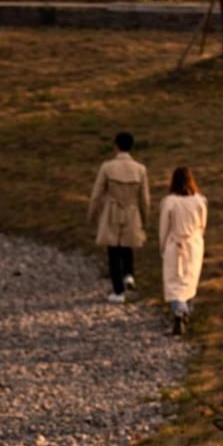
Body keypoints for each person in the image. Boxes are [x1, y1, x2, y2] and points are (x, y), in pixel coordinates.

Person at [88, 132, 150, 303]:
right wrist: (144, 220)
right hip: (131, 210)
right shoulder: (140, 169)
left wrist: (92, 216)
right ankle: (129, 274)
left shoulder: (107, 167)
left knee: (113, 249)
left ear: (116, 146)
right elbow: (145, 199)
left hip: (112, 210)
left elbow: (96, 195)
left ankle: (118, 291)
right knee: (127, 244)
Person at [159, 166, 207, 336]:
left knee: (174, 282)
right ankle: (187, 310)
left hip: (175, 244)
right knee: (190, 279)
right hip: (194, 245)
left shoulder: (170, 202)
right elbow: (202, 225)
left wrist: (163, 246)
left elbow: (164, 227)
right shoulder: (200, 201)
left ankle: (179, 311)